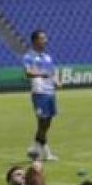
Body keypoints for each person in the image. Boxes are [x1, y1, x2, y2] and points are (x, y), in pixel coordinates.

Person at [23, 29, 61, 161]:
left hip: (50, 92)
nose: (45, 40)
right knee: (42, 122)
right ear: (35, 41)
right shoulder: (29, 57)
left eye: (45, 38)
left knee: (47, 124)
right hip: (39, 93)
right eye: (42, 38)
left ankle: (38, 150)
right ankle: (38, 151)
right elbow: (27, 73)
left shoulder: (47, 57)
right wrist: (41, 74)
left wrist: (56, 80)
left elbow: (52, 71)